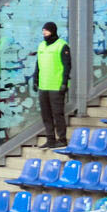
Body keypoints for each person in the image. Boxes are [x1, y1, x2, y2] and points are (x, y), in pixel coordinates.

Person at [32, 21, 71, 149]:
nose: (44, 33)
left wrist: (64, 83)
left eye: (47, 31)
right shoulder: (42, 45)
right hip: (44, 85)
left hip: (56, 85)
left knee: (57, 114)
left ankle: (62, 138)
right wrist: (35, 79)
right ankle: (50, 138)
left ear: (53, 31)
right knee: (46, 114)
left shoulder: (62, 45)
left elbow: (67, 66)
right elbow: (38, 64)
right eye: (43, 31)